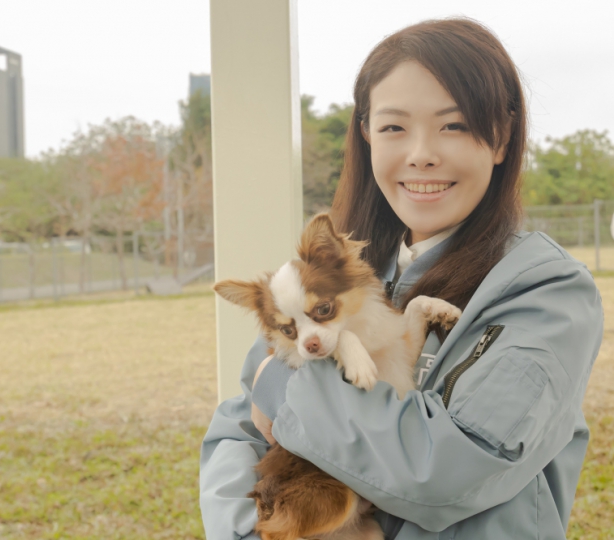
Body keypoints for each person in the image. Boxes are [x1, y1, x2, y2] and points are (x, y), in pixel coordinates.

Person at [200, 18, 604, 540]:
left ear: (502, 138)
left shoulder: (547, 293)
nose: (421, 153)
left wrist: (282, 387)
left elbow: (450, 470)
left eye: (453, 125)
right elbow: (235, 435)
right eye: (394, 127)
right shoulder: (337, 278)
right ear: (366, 135)